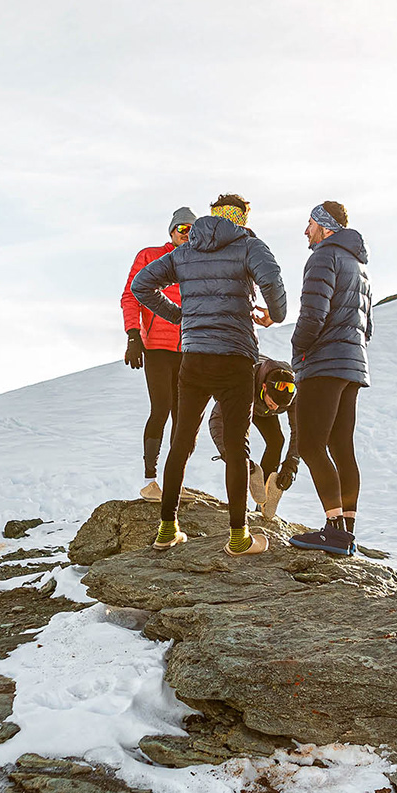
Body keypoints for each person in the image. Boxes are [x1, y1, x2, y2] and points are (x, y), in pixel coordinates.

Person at [130, 195, 287, 556]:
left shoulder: (187, 250)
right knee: (237, 445)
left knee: (182, 441)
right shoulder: (249, 246)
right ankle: (239, 537)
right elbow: (273, 286)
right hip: (236, 358)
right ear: (241, 218)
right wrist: (273, 315)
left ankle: (167, 529)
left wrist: (180, 316)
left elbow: (141, 285)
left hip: (195, 357)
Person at [286, 202, 370, 557]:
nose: (306, 231)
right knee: (341, 446)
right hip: (352, 364)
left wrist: (298, 347)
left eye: (310, 223)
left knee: (309, 444)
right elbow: (367, 325)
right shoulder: (358, 265)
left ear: (325, 226)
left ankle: (333, 530)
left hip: (324, 362)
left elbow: (313, 314)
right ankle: (347, 532)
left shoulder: (324, 257)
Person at [122, 208, 195, 500]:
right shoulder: (150, 256)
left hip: (190, 348)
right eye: (182, 228)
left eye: (192, 229)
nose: (186, 234)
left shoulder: (199, 261)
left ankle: (176, 481)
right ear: (172, 231)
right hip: (156, 347)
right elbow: (131, 295)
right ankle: (150, 481)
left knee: (185, 417)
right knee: (161, 408)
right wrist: (133, 335)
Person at [208, 358, 300, 521]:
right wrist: (229, 454)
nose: (276, 408)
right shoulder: (242, 381)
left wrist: (291, 465)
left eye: (281, 407)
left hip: (261, 407)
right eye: (273, 403)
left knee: (277, 441)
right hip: (241, 400)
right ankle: (238, 506)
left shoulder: (294, 393)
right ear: (265, 387)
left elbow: (299, 431)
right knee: (236, 444)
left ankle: (262, 502)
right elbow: (216, 420)